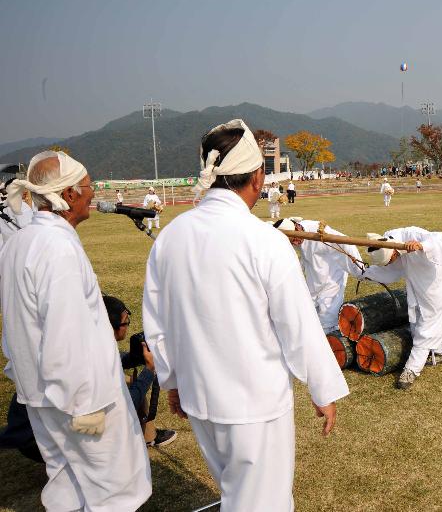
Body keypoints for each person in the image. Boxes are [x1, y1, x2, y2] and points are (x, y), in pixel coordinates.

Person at [143, 119, 347, 511]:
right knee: (263, 503)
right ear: (258, 177)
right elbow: (298, 325)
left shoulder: (171, 236)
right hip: (255, 406)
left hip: (200, 398)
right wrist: (322, 389)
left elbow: (158, 321)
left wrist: (172, 380)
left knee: (235, 492)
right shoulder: (263, 240)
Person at [0, 150, 151, 511]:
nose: (92, 193)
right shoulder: (57, 247)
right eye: (88, 186)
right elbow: (65, 336)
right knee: (113, 489)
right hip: (80, 403)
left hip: (40, 397)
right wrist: (86, 408)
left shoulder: (19, 241)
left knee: (67, 482)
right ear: (68, 195)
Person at [362, 226, 442, 390]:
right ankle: (441, 352)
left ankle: (411, 369)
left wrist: (421, 246)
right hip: (417, 288)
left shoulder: (413, 235)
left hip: (437, 289)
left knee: (426, 330)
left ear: (394, 252)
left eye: (392, 259)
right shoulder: (386, 242)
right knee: (417, 326)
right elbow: (390, 272)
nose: (392, 262)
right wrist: (365, 273)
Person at [103, 295, 177, 448]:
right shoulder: (101, 361)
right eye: (126, 322)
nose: (128, 325)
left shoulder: (95, 342)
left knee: (131, 381)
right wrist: (149, 369)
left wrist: (136, 356)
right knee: (135, 384)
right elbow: (128, 402)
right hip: (96, 425)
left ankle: (148, 435)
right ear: (112, 327)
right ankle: (146, 437)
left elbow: (116, 359)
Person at [278, 217, 364, 333]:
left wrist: (360, 271)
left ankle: (332, 338)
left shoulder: (321, 232)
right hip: (313, 275)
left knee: (328, 314)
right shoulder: (290, 227)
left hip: (333, 276)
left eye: (295, 239)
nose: (295, 243)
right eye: (292, 242)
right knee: (307, 309)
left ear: (298, 228)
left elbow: (346, 243)